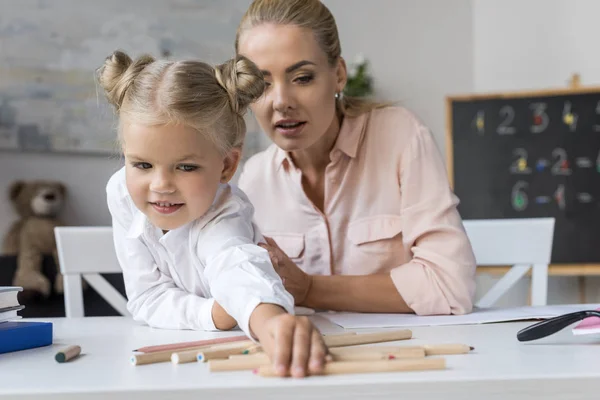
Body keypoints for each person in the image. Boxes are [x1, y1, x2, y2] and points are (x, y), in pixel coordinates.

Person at [236, 0, 477, 316]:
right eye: (262, 85)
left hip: (406, 354)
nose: (281, 102)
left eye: (303, 77)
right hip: (306, 357)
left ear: (338, 75)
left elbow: (451, 286)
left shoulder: (400, 136)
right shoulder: (254, 179)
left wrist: (310, 288)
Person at [99, 50, 327, 377]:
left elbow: (234, 263)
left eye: (186, 167)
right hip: (173, 368)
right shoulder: (121, 192)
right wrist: (215, 314)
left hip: (238, 363)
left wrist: (271, 321)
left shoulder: (224, 212)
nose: (161, 185)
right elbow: (146, 297)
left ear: (227, 166)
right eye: (142, 165)